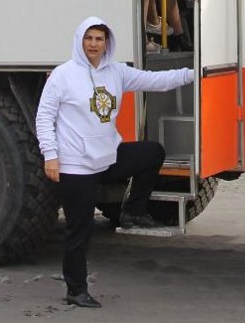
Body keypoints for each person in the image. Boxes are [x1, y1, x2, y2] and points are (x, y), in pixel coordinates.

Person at [35, 16, 195, 309]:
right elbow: (44, 117)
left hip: (107, 158)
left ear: (107, 43)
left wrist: (193, 74)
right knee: (78, 231)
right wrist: (51, 157)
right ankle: (76, 289)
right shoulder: (62, 75)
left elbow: (156, 81)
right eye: (89, 38)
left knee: (152, 153)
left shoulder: (117, 72)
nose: (94, 44)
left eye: (99, 39)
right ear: (80, 41)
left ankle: (132, 212)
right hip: (76, 165)